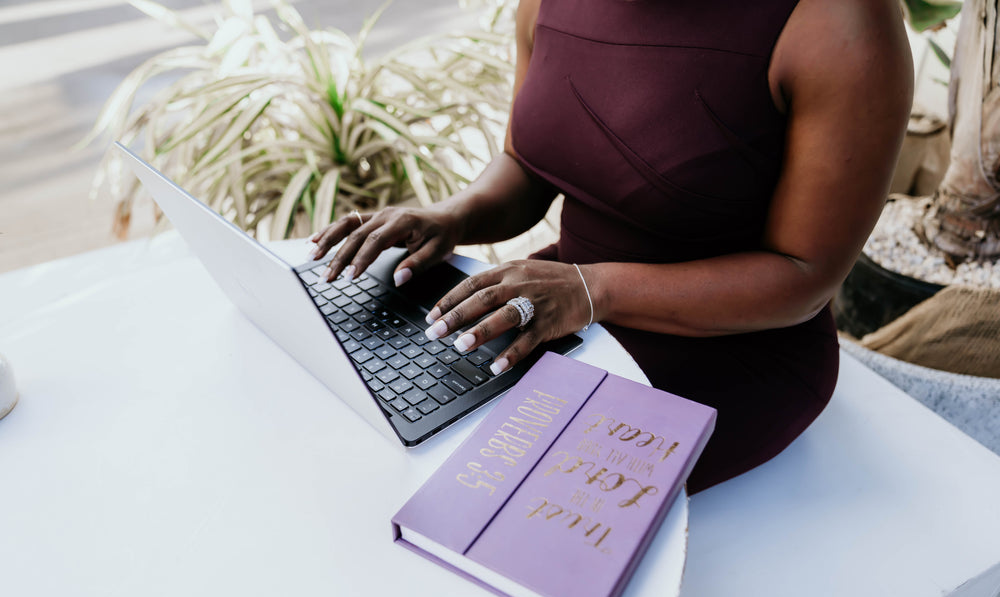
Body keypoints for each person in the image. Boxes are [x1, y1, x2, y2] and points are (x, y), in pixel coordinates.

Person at [308, 0, 913, 492]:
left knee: (485, 497)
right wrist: (449, 216)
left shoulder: (838, 22)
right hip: (563, 311)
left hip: (730, 353)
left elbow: (805, 276)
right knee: (371, 416)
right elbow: (529, 162)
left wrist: (591, 289)